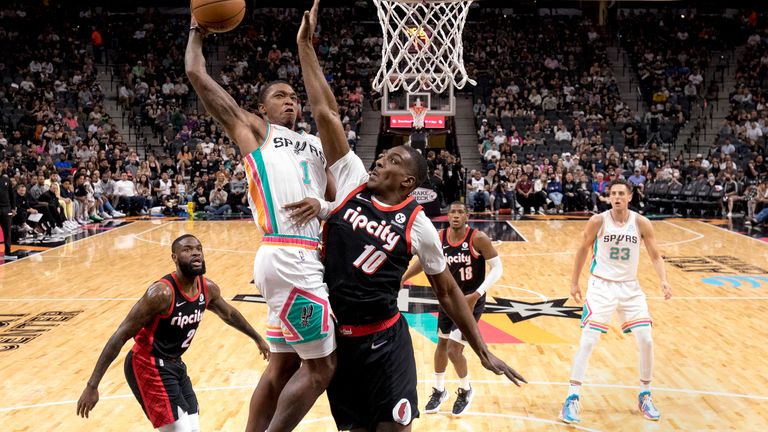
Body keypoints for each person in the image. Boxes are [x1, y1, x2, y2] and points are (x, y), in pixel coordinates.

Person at [295, 3, 525, 430]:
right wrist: (306, 47)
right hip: (338, 341)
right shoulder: (351, 181)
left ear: (408, 181)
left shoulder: (419, 224)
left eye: (393, 159)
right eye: (383, 155)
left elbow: (449, 292)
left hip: (386, 343)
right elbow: (326, 113)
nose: (381, 159)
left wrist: (481, 349)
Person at [185, 14, 337, 432]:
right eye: (280, 95)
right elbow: (196, 75)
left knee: (282, 365)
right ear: (261, 108)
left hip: (305, 256)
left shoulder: (315, 143)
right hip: (288, 253)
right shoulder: (254, 130)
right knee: (323, 368)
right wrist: (197, 32)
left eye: (295, 97)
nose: (291, 101)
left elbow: (336, 200)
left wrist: (324, 205)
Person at [76, 235, 269, 431]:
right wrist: (92, 385)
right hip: (148, 364)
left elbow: (229, 314)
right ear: (174, 258)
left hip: (175, 364)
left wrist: (257, 338)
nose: (195, 253)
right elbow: (120, 335)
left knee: (193, 428)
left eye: (198, 248)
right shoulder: (161, 294)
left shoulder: (207, 288)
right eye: (187, 250)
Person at [559, 179, 672, 424]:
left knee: (646, 340)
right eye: (613, 193)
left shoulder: (641, 222)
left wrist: (664, 280)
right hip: (601, 287)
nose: (617, 197)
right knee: (588, 340)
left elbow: (655, 255)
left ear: (630, 196)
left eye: (621, 193)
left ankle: (645, 394)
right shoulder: (598, 221)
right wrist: (574, 282)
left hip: (630, 288)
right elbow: (582, 249)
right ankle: (572, 397)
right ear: (608, 197)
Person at [400, 202, 503, 416]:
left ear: (467, 216)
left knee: (453, 350)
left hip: (471, 301)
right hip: (449, 299)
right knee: (442, 344)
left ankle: (466, 389)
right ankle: (439, 390)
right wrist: (404, 277)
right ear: (447, 216)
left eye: (460, 212)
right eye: (452, 212)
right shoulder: (439, 238)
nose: (456, 215)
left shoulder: (478, 238)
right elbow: (425, 260)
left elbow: (497, 268)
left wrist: (477, 295)